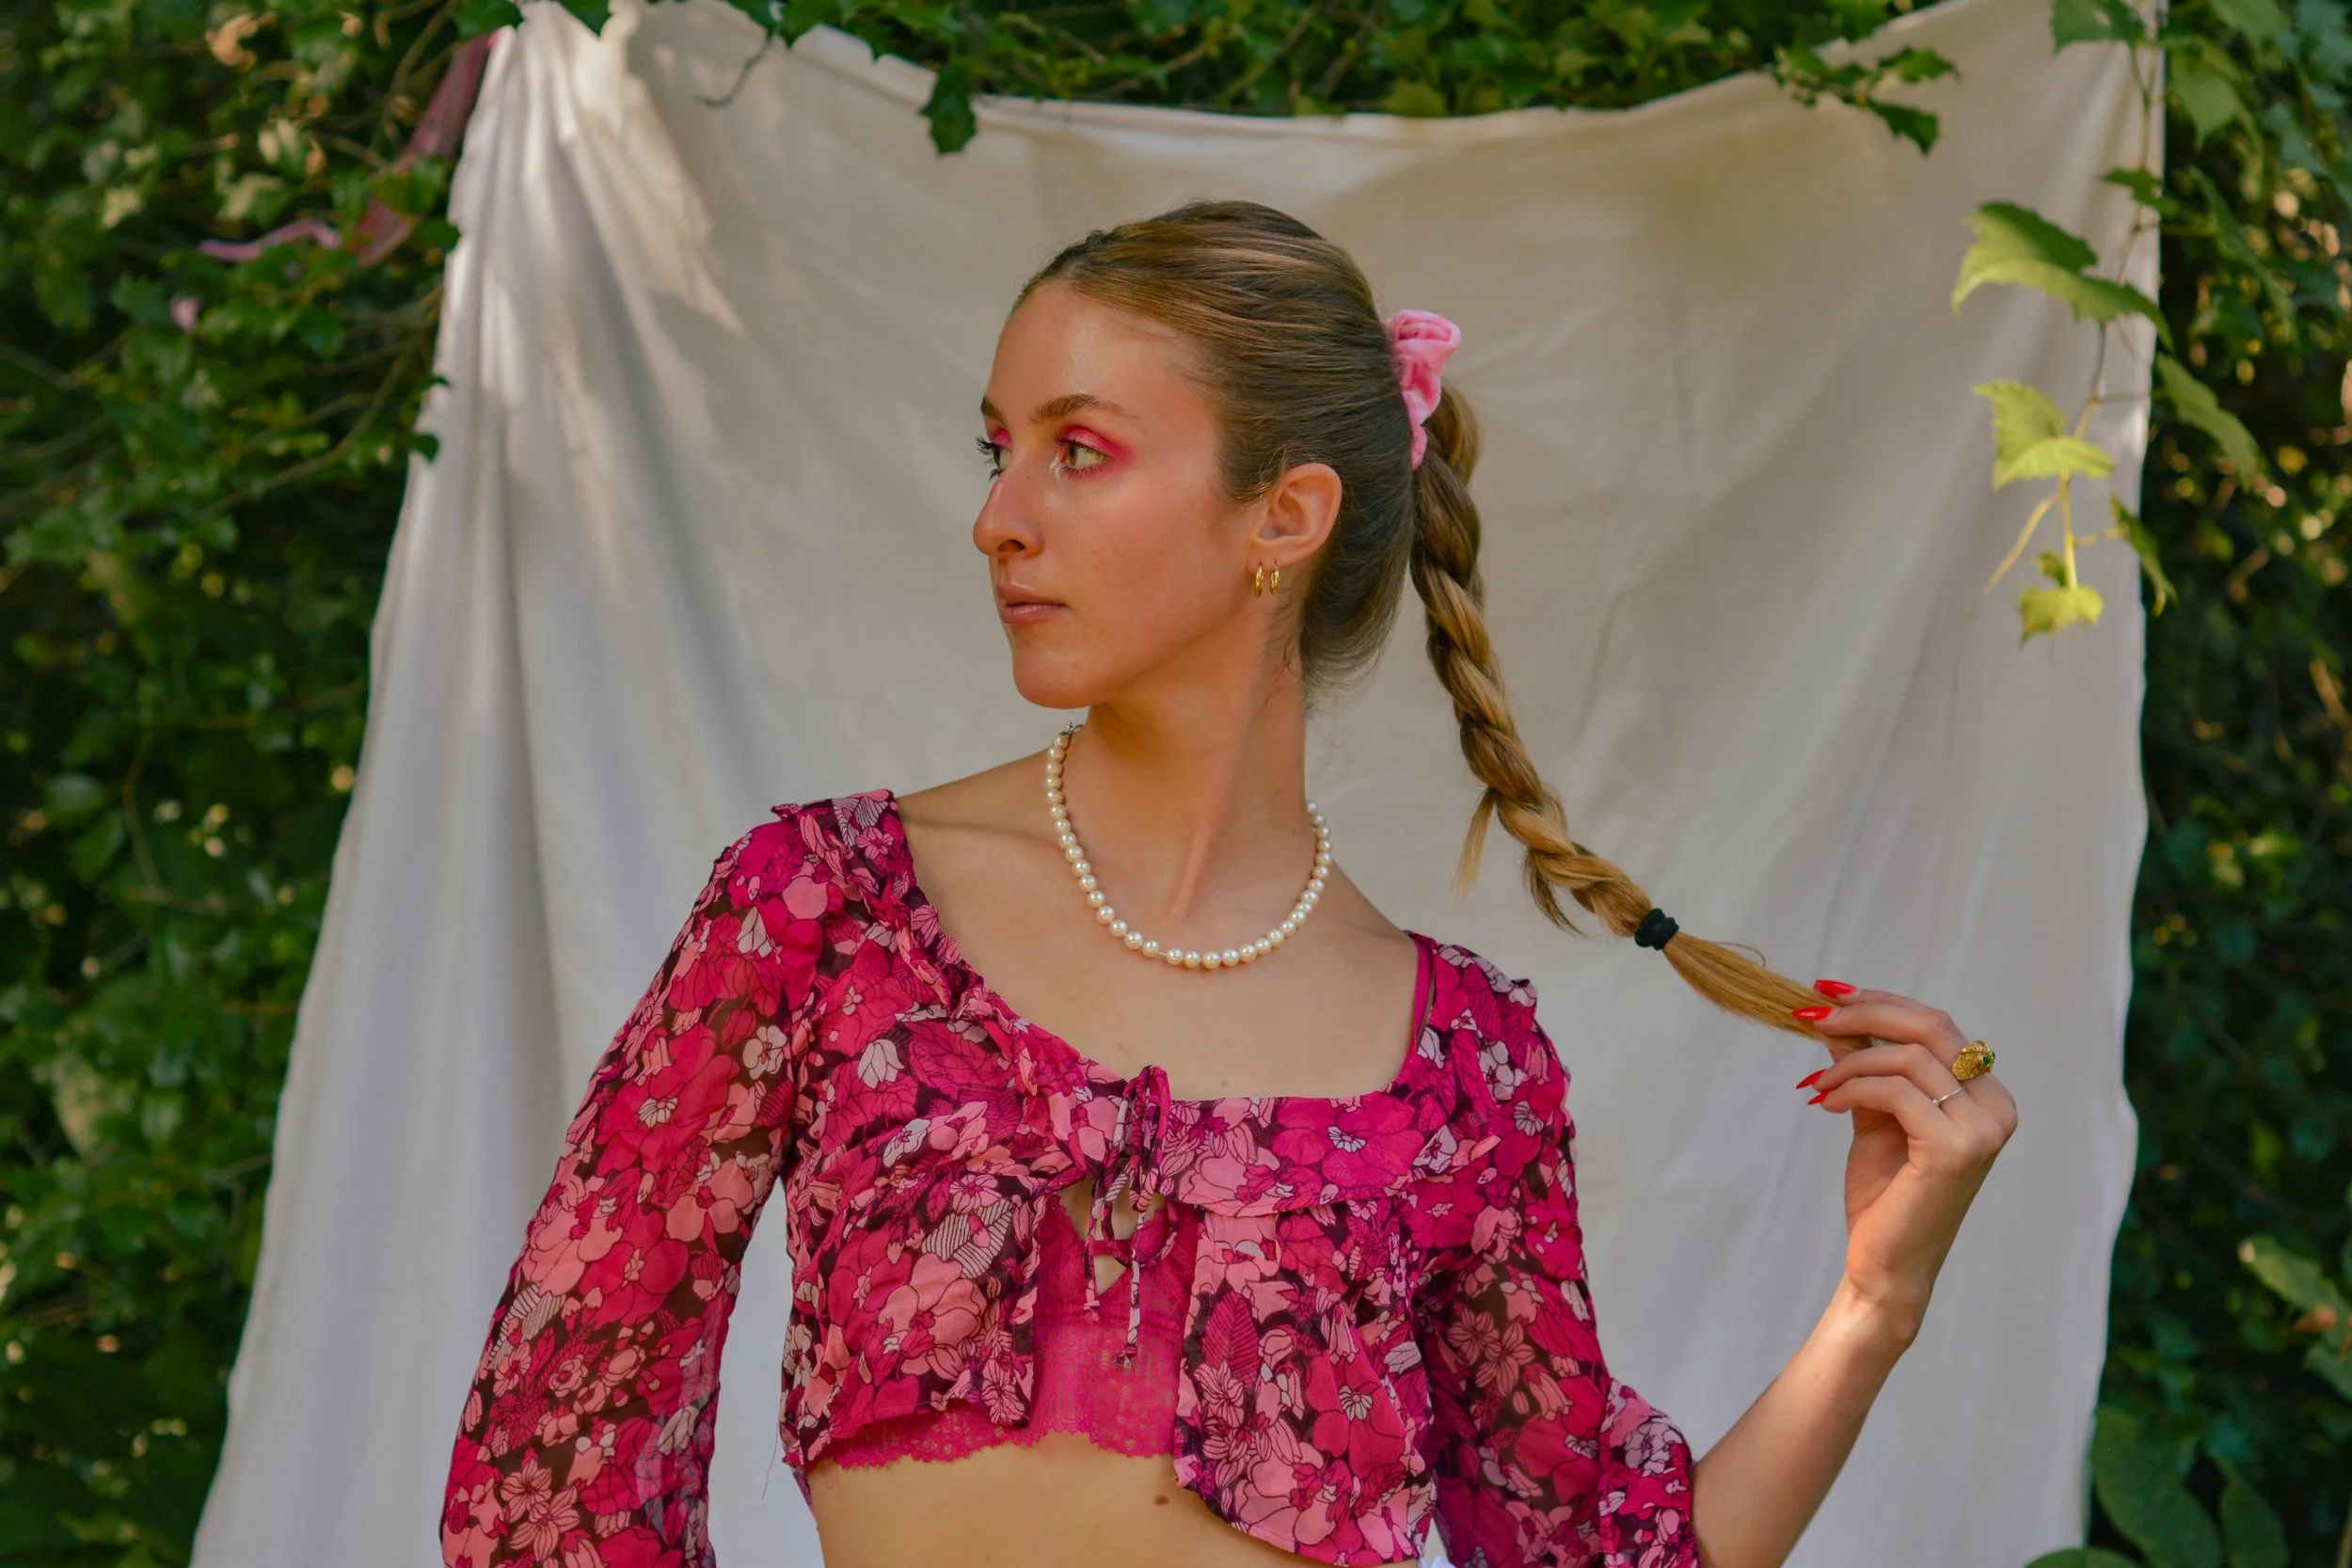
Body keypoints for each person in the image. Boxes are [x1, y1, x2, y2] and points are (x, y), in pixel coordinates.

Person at [440, 199, 2017, 1568]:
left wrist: (1872, 1306)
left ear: (1284, 517)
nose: (999, 517)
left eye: (1079, 451)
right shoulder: (819, 912)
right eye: (999, 450)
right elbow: (553, 1468)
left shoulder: (1463, 1065)